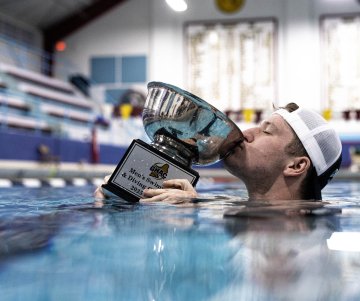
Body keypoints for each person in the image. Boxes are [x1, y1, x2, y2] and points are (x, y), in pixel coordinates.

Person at [94, 103, 342, 202]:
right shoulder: (214, 205)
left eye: (267, 132)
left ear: (296, 166)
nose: (245, 133)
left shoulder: (303, 245)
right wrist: (122, 200)